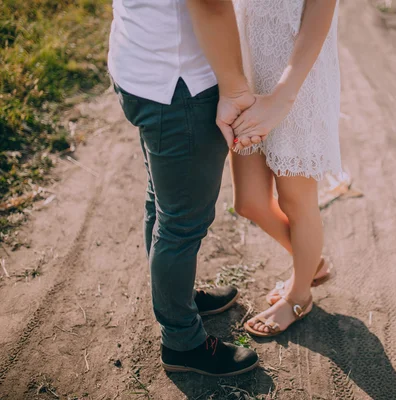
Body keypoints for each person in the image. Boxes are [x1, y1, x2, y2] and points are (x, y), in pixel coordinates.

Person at [108, 0, 259, 376]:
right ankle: (183, 343)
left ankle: (177, 300)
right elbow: (209, 4)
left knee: (162, 202)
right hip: (181, 85)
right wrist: (235, 89)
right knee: (181, 223)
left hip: (141, 62)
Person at [230, 0, 342, 337]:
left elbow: (321, 12)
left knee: (296, 200)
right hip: (248, 75)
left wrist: (285, 95)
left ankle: (299, 295)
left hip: (297, 84)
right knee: (249, 201)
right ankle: (311, 263)